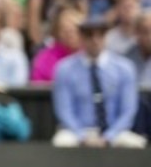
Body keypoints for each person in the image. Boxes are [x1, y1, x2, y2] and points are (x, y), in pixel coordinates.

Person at [51, 16, 146, 149]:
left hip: (114, 131)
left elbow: (128, 111)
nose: (95, 40)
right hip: (77, 130)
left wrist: (109, 137)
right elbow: (64, 111)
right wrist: (82, 136)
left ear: (106, 37)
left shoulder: (125, 68)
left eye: (100, 34)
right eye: (89, 35)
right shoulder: (64, 69)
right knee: (62, 142)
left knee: (136, 144)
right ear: (82, 37)